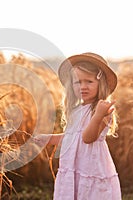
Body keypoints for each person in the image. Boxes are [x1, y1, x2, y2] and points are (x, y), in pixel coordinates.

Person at [34, 52, 121, 199]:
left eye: (89, 81)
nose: (83, 87)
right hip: (73, 167)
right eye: (78, 82)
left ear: (101, 83)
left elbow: (87, 138)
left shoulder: (102, 110)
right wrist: (49, 138)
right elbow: (72, 138)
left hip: (90, 168)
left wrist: (98, 115)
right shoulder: (76, 111)